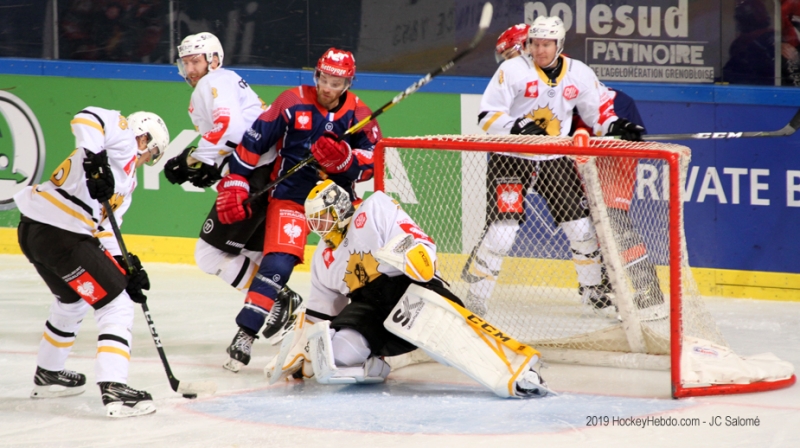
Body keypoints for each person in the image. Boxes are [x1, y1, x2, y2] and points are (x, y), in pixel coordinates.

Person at [265, 180, 550, 398]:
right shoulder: (322, 259)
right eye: (314, 220)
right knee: (334, 356)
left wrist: (417, 254)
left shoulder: (374, 208)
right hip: (369, 307)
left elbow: (414, 241)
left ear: (339, 207)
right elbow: (319, 314)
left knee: (457, 341)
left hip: (407, 287)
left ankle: (520, 369)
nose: (319, 226)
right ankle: (376, 365)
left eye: (323, 217)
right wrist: (305, 351)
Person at [461, 16, 644, 317]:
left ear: (559, 45)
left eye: (546, 44)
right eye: (535, 43)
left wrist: (618, 124)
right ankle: (477, 297)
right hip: (512, 157)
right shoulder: (512, 70)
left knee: (581, 227)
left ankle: (592, 289)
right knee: (503, 233)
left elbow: (599, 113)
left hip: (553, 157)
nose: (540, 50)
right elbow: (486, 115)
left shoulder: (579, 74)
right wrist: (517, 126)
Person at [215, 48, 381, 372]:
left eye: (336, 82)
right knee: (278, 262)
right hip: (290, 195)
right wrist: (236, 180)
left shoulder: (360, 113)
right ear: (316, 75)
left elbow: (372, 162)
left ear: (347, 82)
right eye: (323, 79)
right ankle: (246, 332)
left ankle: (368, 335)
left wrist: (345, 160)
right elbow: (254, 142)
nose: (328, 88)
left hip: (336, 199)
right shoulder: (291, 101)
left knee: (363, 260)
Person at [13, 107, 170, 418]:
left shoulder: (127, 184)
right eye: (152, 152)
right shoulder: (122, 138)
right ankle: (114, 388)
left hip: (37, 233)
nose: (147, 159)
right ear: (144, 139)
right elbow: (87, 117)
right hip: (61, 234)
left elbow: (107, 231)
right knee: (117, 305)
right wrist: (95, 160)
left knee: (71, 301)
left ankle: (49, 373)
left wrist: (126, 267)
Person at [163, 32, 270, 300]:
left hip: (255, 174)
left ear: (213, 60)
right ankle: (267, 311)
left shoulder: (214, 80)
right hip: (266, 172)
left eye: (195, 61)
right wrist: (214, 166)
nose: (189, 70)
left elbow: (230, 129)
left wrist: (189, 159)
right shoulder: (228, 79)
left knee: (209, 255)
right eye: (184, 63)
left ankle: (280, 303)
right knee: (250, 254)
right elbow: (238, 133)